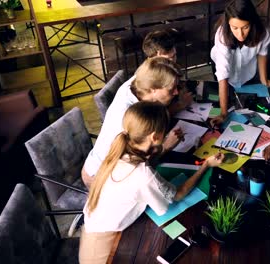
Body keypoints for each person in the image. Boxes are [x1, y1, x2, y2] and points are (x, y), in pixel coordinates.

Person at [79, 102, 224, 263]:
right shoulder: (143, 175)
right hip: (104, 248)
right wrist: (206, 165)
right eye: (165, 131)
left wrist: (164, 147)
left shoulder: (119, 148)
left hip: (92, 228)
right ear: (155, 137)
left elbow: (144, 164)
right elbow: (178, 194)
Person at [82, 57, 184, 188]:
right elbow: (137, 166)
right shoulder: (130, 116)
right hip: (102, 178)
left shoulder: (140, 83)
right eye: (172, 89)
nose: (176, 92)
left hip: (114, 163)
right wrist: (165, 147)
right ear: (153, 89)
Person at [210, 0, 270, 126]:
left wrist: (264, 81)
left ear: (252, 22)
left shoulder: (264, 32)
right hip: (224, 73)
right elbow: (223, 76)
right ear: (228, 24)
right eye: (234, 28)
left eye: (245, 27)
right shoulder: (222, 36)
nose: (240, 34)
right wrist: (223, 113)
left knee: (249, 106)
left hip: (247, 70)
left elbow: (262, 55)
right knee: (226, 99)